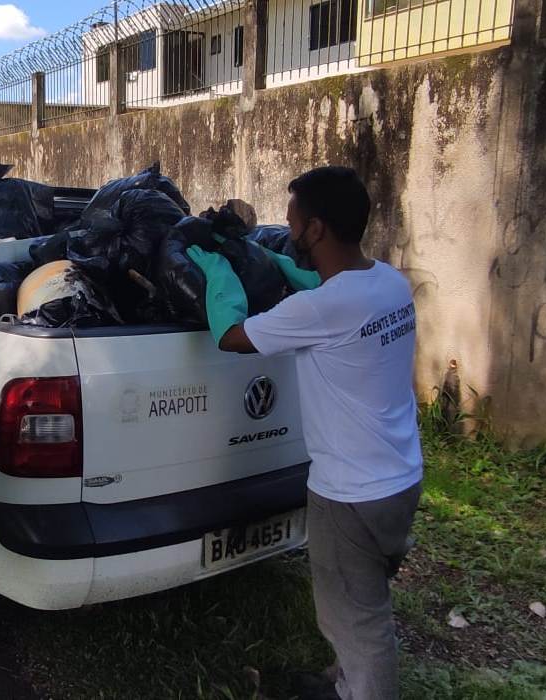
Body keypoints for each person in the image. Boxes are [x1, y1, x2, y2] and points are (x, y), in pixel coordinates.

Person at [187, 166, 423, 700]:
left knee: (361, 627)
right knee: (361, 602)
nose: (287, 232)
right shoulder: (388, 281)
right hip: (401, 478)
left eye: (293, 221)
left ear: (315, 229)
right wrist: (277, 264)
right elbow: (332, 295)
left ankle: (362, 689)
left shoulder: (320, 308)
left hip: (350, 496)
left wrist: (219, 273)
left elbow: (232, 336)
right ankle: (342, 684)